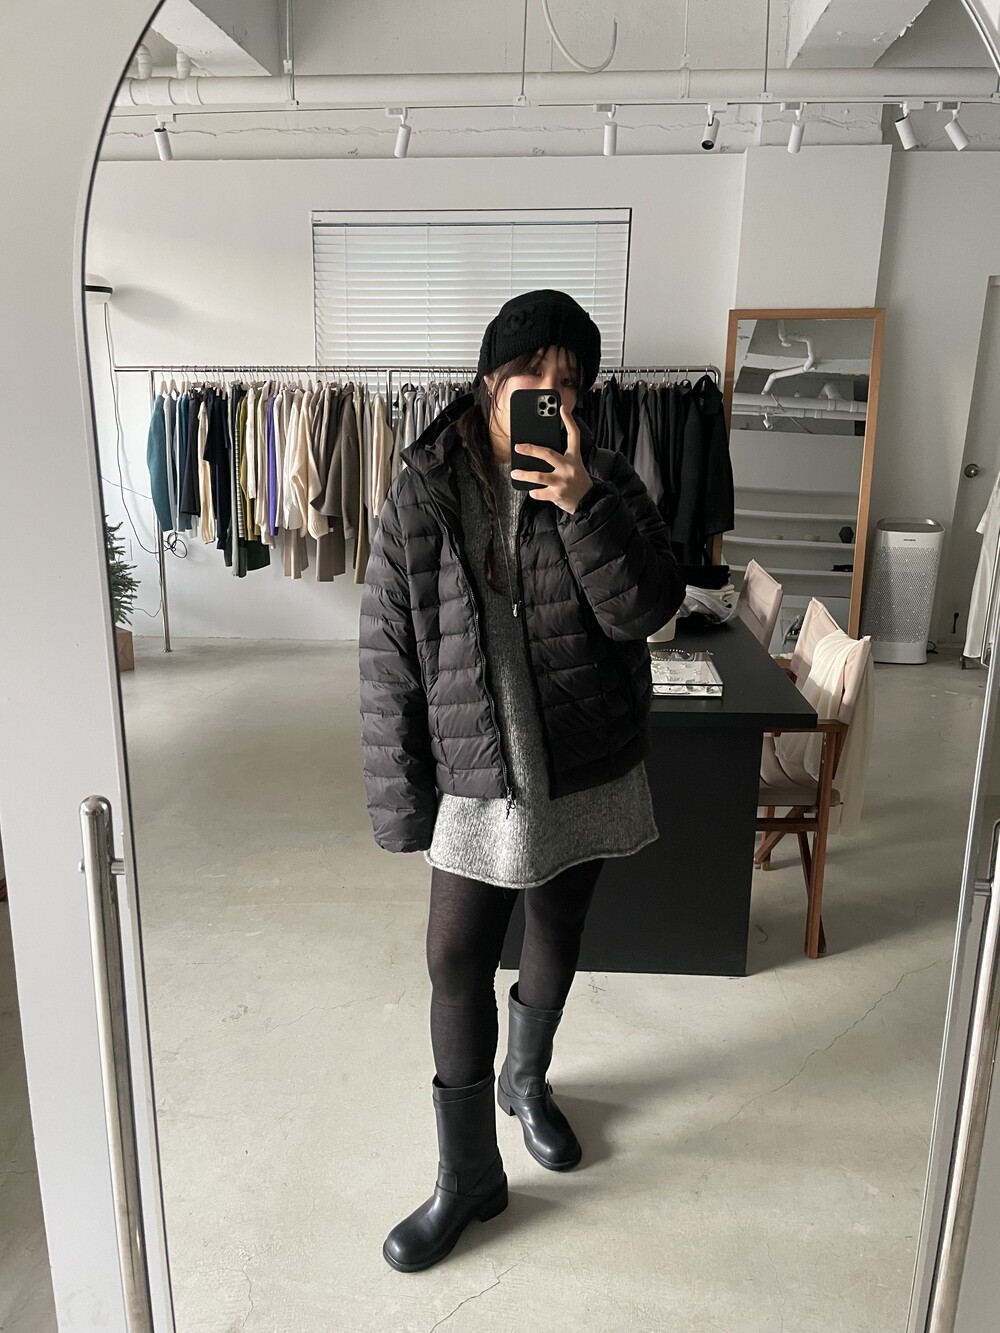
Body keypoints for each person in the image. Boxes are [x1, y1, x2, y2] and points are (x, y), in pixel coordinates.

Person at [359, 289, 685, 1273]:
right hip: (474, 772)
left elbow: (646, 610)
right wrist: (402, 800)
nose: (551, 394)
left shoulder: (606, 478)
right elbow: (388, 651)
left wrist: (582, 504)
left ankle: (526, 1080)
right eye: (531, 376)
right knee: (454, 958)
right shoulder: (422, 488)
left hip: (581, 757)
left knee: (557, 929)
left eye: (569, 382)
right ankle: (468, 1175)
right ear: (488, 382)